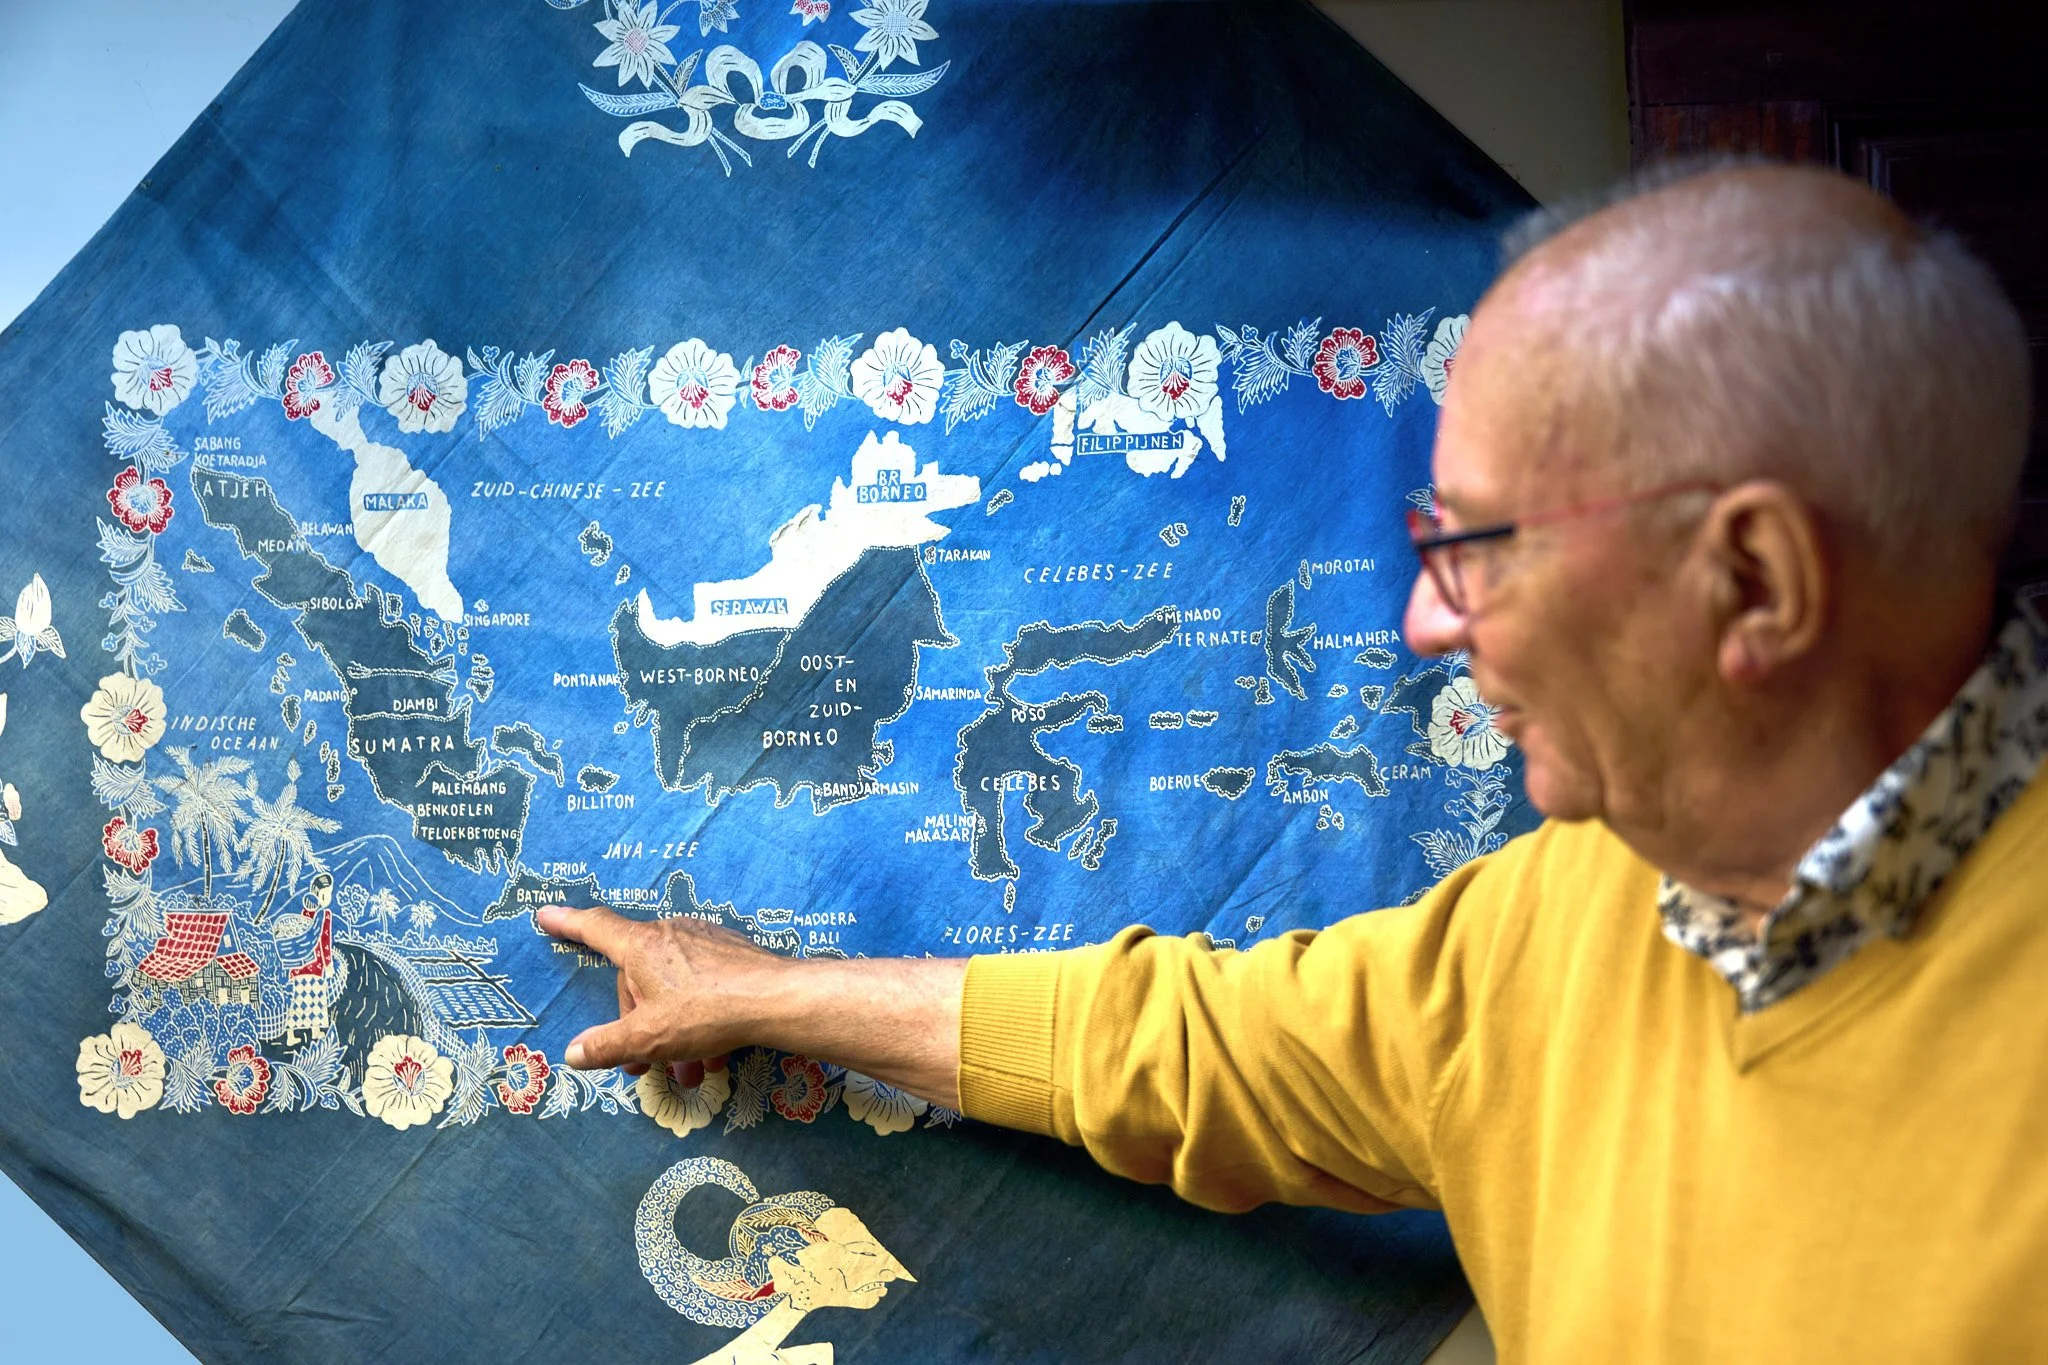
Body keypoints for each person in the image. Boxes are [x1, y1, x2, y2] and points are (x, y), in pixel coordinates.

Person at [540, 163, 2048, 1360]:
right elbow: (1198, 1048)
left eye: (1471, 549)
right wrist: (761, 990)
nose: (1423, 620)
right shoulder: (1561, 921)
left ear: (1758, 584)